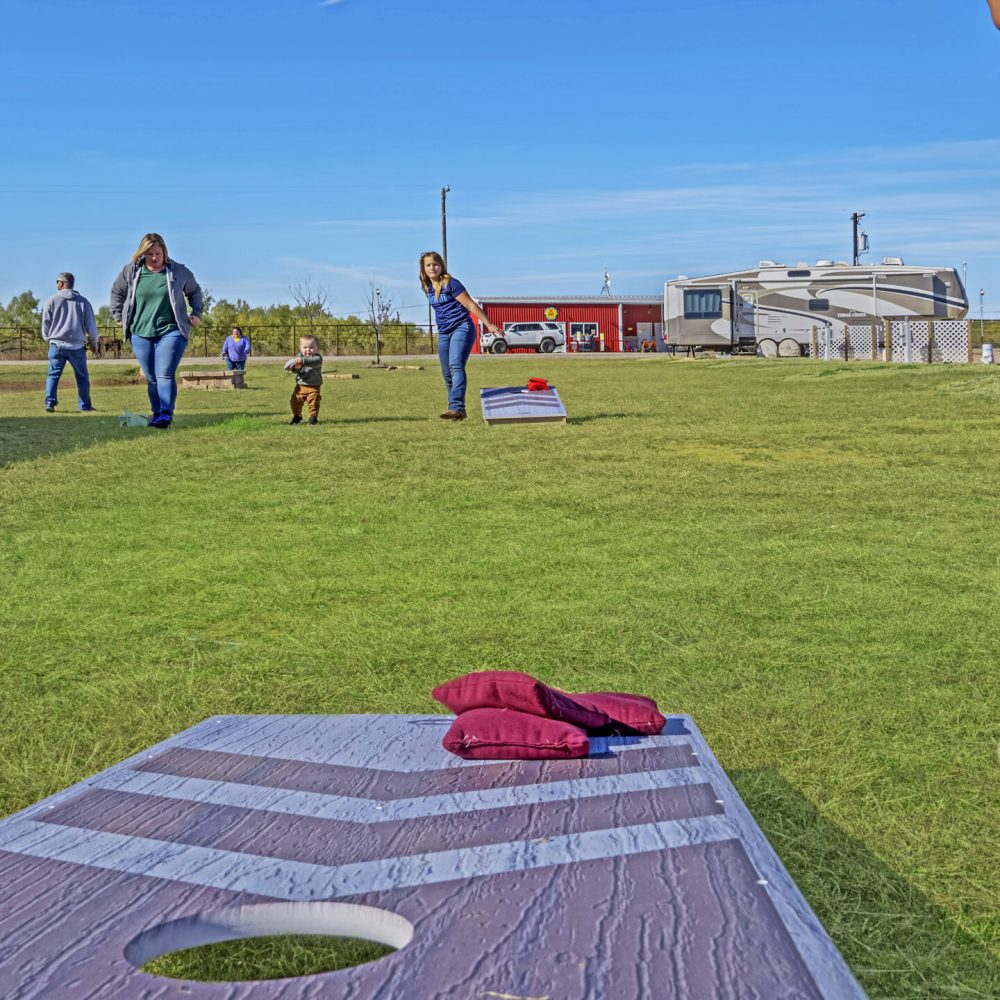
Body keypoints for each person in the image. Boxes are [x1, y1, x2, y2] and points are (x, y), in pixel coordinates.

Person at [109, 233, 203, 429]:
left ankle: (166, 414)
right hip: (140, 332)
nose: (154, 257)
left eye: (157, 253)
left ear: (164, 252)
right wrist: (118, 316)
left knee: (164, 373)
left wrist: (196, 313)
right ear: (142, 254)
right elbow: (117, 292)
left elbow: (195, 291)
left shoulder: (178, 271)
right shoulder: (131, 272)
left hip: (171, 331)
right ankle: (156, 412)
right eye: (149, 253)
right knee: (151, 376)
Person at [419, 251, 501, 421]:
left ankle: (455, 407)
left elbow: (471, 304)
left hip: (461, 328)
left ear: (441, 265)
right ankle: (458, 412)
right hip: (444, 332)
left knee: (455, 365)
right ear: (423, 269)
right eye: (428, 265)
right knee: (446, 373)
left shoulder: (451, 283)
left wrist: (488, 324)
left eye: (435, 264)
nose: (432, 267)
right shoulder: (426, 287)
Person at [40, 272, 98, 413]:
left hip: (57, 345)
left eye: (57, 282)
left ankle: (50, 402)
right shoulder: (83, 302)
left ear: (60, 283)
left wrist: (48, 339)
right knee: (82, 377)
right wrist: (93, 341)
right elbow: (91, 325)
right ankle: (84, 405)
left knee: (53, 375)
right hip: (77, 346)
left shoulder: (51, 300)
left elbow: (45, 324)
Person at [285, 334, 323, 424]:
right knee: (295, 400)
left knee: (313, 401)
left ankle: (313, 418)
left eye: (311, 347)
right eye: (305, 347)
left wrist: (303, 361)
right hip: (300, 385)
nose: (308, 350)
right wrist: (296, 367)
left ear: (317, 348)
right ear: (300, 348)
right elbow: (296, 370)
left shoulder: (317, 358)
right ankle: (297, 416)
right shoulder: (299, 357)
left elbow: (314, 363)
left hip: (314, 385)